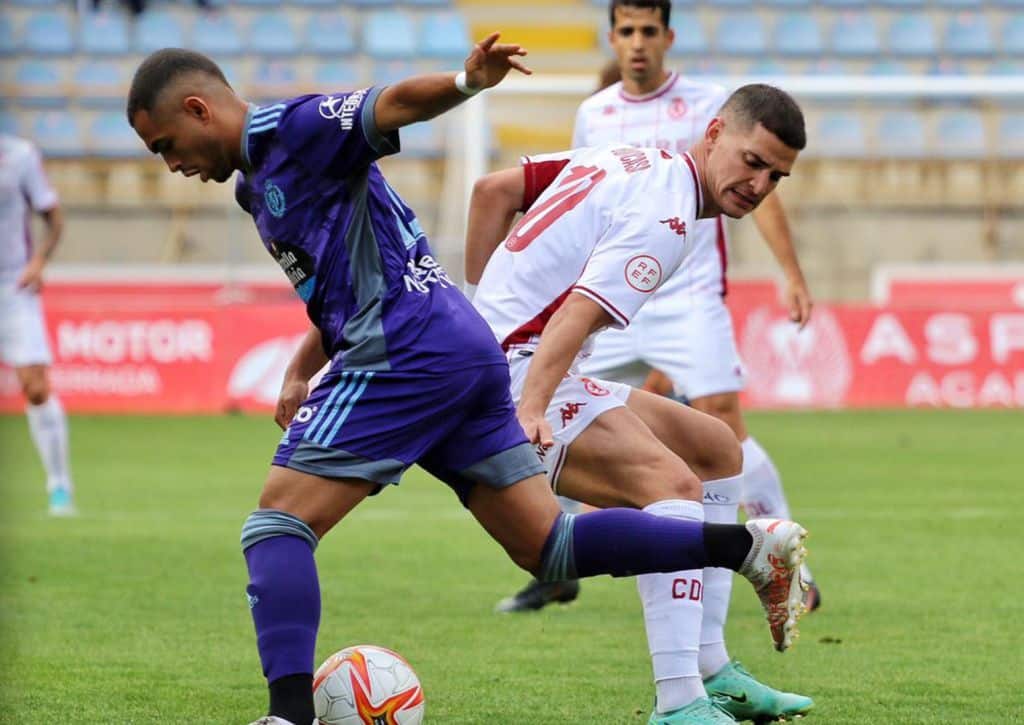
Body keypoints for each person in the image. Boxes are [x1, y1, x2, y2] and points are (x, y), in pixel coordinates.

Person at [126, 44, 809, 725]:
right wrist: (308, 361)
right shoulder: (258, 184)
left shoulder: (292, 129)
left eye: (165, 144)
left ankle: (288, 716)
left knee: (276, 523)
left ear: (197, 108)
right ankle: (744, 549)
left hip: (412, 351)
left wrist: (465, 82)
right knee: (551, 547)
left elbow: (391, 105)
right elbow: (368, 264)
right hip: (464, 344)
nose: (171, 162)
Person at [466, 84, 813, 724]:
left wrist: (478, 305)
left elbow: (491, 191)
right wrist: (530, 406)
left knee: (714, 445)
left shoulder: (633, 159)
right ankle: (679, 700)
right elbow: (577, 313)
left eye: (776, 175)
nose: (760, 184)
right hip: (516, 376)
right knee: (672, 485)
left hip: (522, 358)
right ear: (713, 135)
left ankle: (715, 669)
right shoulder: (671, 218)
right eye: (752, 161)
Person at [496, 0, 822, 617]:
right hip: (605, 295)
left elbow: (761, 189)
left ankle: (788, 559)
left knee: (721, 423)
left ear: (668, 37)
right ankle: (554, 561)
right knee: (553, 409)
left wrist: (790, 271)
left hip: (686, 291)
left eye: (650, 31)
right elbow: (572, 193)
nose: (639, 43)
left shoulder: (711, 105)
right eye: (627, 31)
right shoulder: (595, 112)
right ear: (613, 38)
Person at [0, 133, 75, 516]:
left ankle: (59, 485)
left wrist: (38, 262)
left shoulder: (19, 155)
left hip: (13, 286)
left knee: (35, 386)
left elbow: (53, 218)